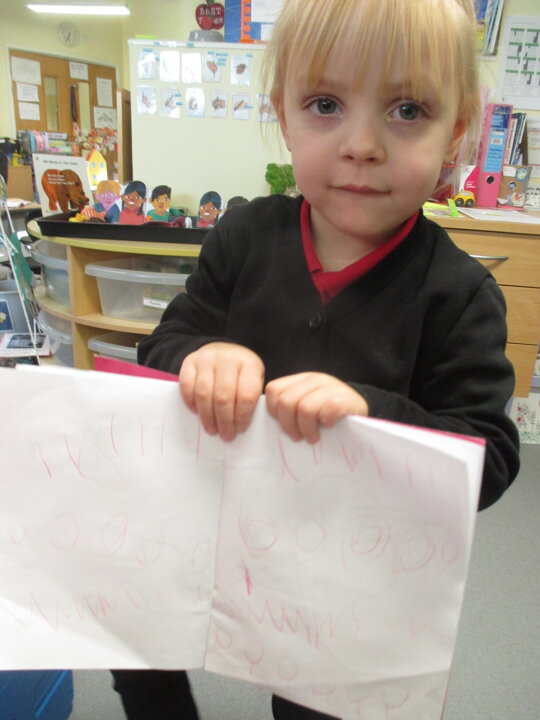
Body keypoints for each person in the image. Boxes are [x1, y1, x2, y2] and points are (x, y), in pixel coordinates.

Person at [114, 0, 521, 718]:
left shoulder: (459, 295)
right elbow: (163, 348)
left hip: (344, 575)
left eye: (408, 110)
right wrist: (205, 353)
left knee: (315, 700)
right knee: (135, 638)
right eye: (326, 105)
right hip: (212, 528)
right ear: (284, 114)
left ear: (456, 132)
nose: (362, 145)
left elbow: (487, 460)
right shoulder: (242, 237)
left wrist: (372, 416)